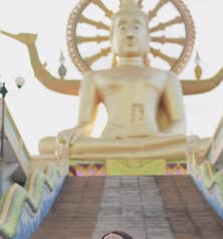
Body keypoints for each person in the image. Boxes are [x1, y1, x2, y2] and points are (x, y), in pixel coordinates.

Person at [38, 0, 189, 160]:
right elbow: (86, 124)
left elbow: (179, 122)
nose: (130, 34)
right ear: (111, 38)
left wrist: (166, 137)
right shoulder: (94, 78)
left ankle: (141, 150)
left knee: (200, 145)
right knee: (48, 144)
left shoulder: (166, 77)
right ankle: (138, 152)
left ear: (147, 37)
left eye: (136, 28)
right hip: (111, 142)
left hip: (154, 141)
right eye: (122, 28)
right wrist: (75, 132)